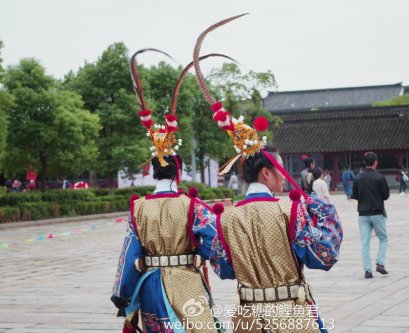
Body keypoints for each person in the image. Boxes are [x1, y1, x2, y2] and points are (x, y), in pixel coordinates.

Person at [193, 16, 343, 332]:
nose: (282, 177)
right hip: (290, 315)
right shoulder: (291, 210)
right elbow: (324, 254)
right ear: (265, 173)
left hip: (246, 318)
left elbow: (223, 268)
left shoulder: (226, 218)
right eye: (277, 171)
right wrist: (323, 206)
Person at [111, 49, 222, 333]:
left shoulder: (139, 208)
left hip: (151, 287)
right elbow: (213, 243)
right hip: (187, 281)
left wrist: (122, 295)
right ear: (179, 172)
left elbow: (129, 252)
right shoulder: (192, 206)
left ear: (152, 170)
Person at [351, 152, 390, 279]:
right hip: (377, 212)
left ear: (365, 163)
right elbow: (386, 195)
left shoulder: (357, 178)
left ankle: (368, 270)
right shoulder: (380, 177)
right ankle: (380, 263)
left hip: (362, 214)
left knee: (365, 243)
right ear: (375, 162)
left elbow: (355, 195)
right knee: (383, 238)